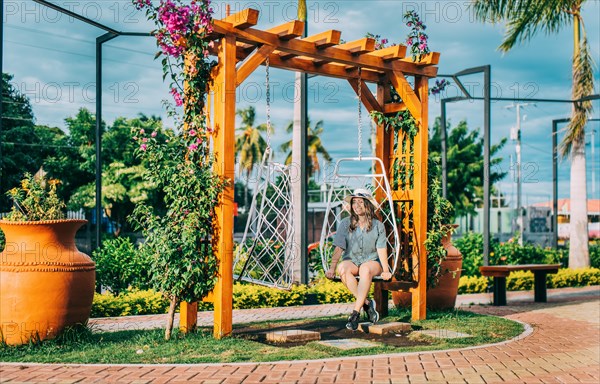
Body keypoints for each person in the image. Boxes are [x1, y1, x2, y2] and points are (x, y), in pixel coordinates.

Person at [325, 188, 393, 331]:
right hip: (352, 260)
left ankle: (355, 314)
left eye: (360, 202)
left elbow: (381, 249)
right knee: (342, 269)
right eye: (354, 202)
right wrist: (332, 268)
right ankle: (367, 304)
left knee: (365, 269)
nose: (356, 205)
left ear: (368, 204)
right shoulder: (345, 224)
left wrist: (386, 270)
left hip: (372, 262)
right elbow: (339, 248)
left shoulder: (378, 226)